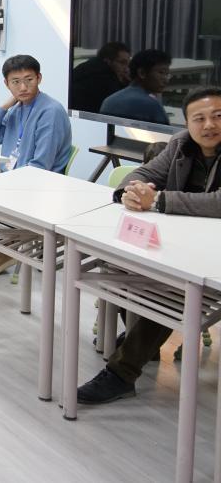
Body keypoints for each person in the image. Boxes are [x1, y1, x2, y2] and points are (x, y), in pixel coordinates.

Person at [77, 86, 221, 405]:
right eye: (199, 118)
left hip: (213, 258)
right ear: (188, 124)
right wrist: (130, 192)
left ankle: (121, 374)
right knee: (123, 266)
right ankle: (144, 343)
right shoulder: (180, 144)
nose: (209, 124)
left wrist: (158, 201)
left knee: (175, 291)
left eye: (218, 116)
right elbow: (144, 173)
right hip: (182, 244)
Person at [0, 55, 73, 274]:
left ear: (39, 78)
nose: (23, 87)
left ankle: (7, 248)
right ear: (6, 84)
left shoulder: (50, 111)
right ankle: (3, 246)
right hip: (12, 179)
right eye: (16, 82)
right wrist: (3, 108)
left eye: (29, 80)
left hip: (38, 185)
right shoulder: (16, 108)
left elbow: (41, 166)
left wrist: (5, 184)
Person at [99, 48, 171, 125]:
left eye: (167, 74)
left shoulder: (109, 100)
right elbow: (166, 132)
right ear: (142, 73)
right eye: (161, 72)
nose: (166, 80)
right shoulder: (151, 104)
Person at [69, 41, 130, 113]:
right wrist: (129, 83)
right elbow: (120, 102)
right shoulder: (103, 78)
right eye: (122, 63)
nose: (126, 69)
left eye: (128, 63)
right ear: (108, 61)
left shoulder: (87, 66)